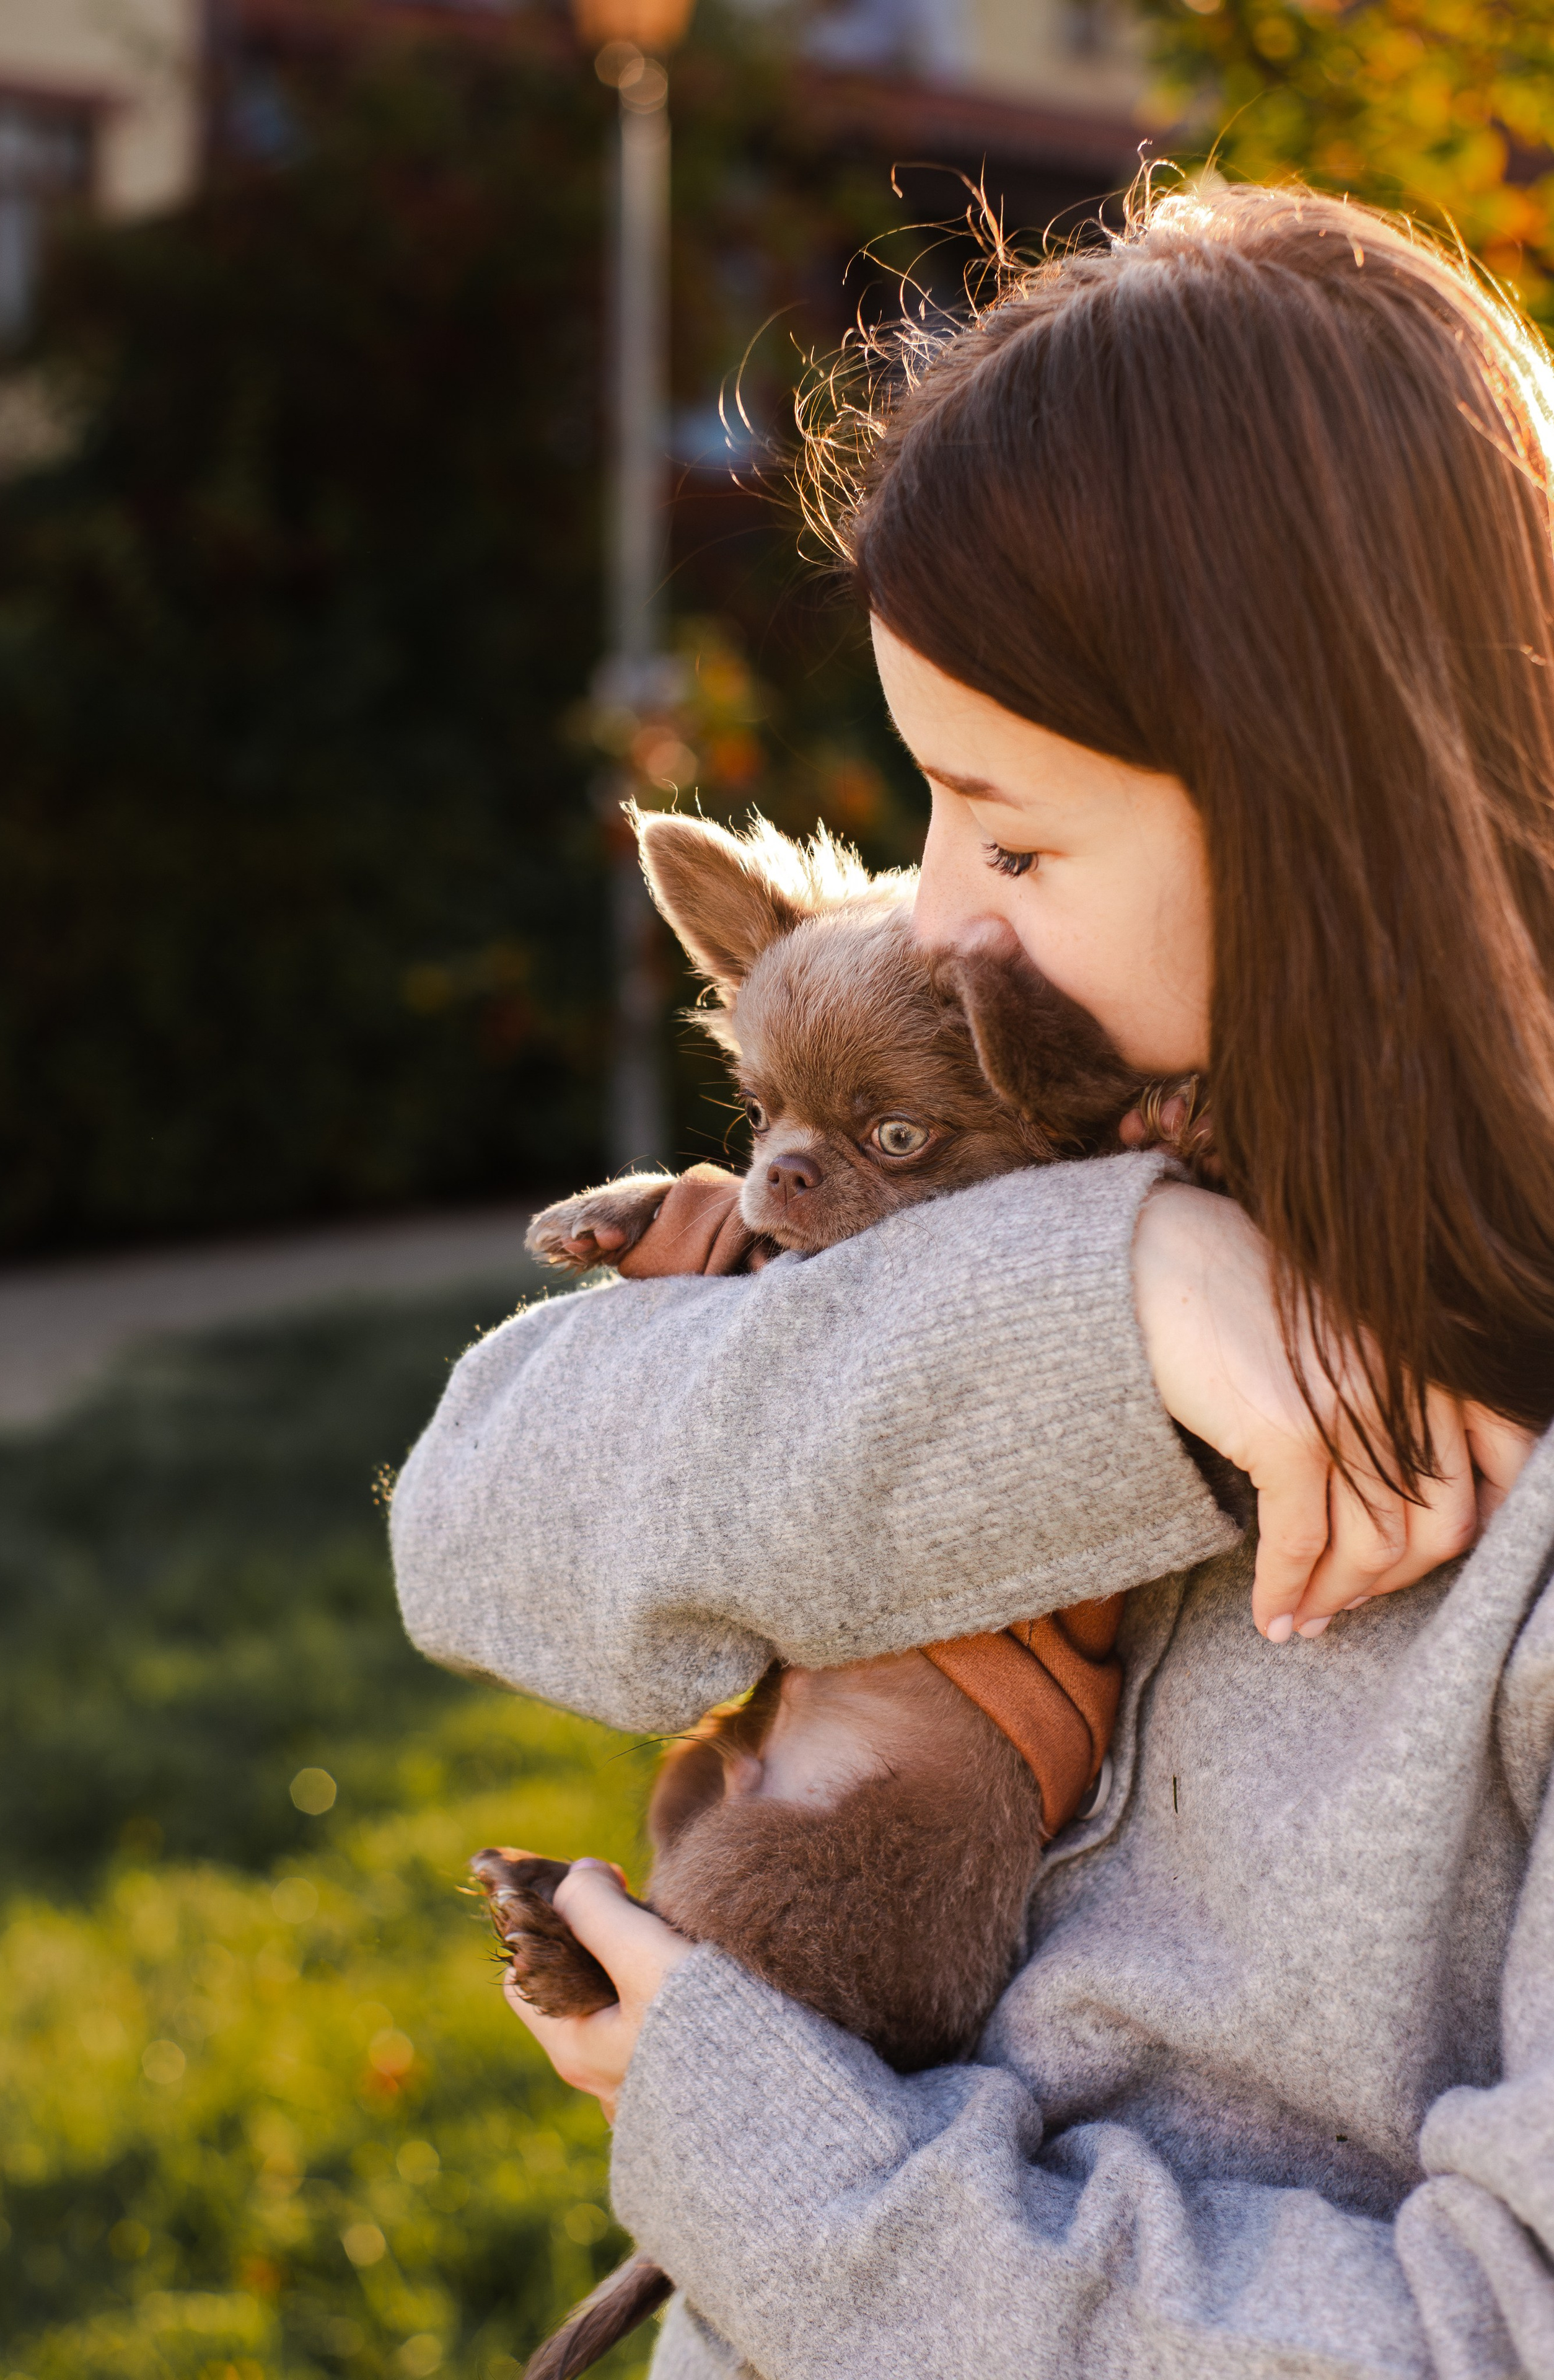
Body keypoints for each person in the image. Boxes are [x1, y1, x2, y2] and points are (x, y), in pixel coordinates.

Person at [390, 182, 1554, 2377]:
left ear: (1339, 822)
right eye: (928, 814)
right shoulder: (1056, 1194)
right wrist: (1105, 1314)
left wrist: (774, 2156)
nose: (936, 924)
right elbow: (481, 1516)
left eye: (1010, 840)